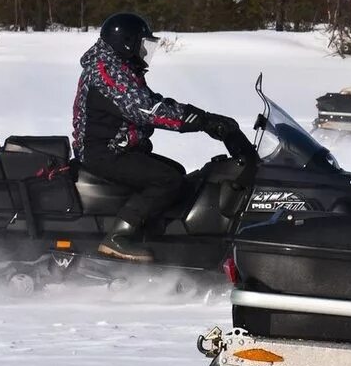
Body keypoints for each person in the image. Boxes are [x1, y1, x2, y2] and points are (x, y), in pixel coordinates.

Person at [73, 13, 240, 262]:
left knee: (176, 171)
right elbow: (146, 109)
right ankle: (118, 238)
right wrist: (200, 121)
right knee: (167, 180)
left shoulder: (118, 66)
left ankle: (153, 236)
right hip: (104, 152)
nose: (146, 51)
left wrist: (202, 118)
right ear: (127, 42)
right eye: (143, 44)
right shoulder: (106, 72)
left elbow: (151, 103)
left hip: (117, 148)